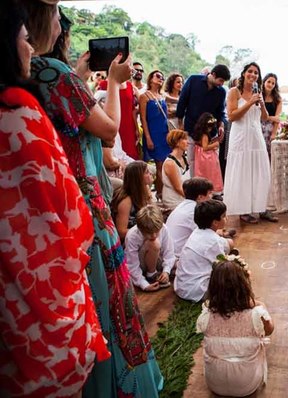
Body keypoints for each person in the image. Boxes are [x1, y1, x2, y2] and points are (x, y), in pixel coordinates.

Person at [24, 2, 164, 395]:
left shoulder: (28, 73)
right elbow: (108, 131)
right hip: (83, 202)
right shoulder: (55, 73)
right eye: (56, 17)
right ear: (44, 23)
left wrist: (81, 75)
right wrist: (114, 83)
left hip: (48, 202)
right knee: (107, 296)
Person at [0, 4, 109, 394]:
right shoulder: (19, 116)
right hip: (41, 306)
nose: (29, 48)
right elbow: (74, 218)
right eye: (22, 39)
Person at [196, 256, 273, 397]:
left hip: (214, 384)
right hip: (247, 385)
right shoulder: (256, 313)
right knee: (258, 340)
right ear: (244, 285)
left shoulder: (206, 314)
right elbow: (269, 330)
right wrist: (259, 304)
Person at [224, 62, 275, 226]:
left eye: (256, 73)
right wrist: (249, 102)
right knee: (242, 172)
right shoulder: (234, 91)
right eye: (250, 71)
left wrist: (262, 104)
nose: (253, 75)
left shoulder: (257, 92)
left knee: (260, 171)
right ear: (244, 73)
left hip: (256, 136)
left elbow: (265, 118)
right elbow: (232, 116)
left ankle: (260, 206)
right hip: (240, 136)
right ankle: (243, 210)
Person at [175, 199, 234, 302]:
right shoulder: (213, 241)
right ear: (215, 222)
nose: (227, 218)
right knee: (233, 280)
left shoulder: (197, 231)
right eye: (224, 216)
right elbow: (221, 268)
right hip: (196, 290)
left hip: (182, 286)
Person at [177, 64, 230, 170]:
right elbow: (182, 102)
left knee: (210, 163)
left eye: (224, 82)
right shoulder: (193, 80)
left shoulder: (221, 91)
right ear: (213, 74)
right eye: (220, 80)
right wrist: (180, 125)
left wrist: (221, 125)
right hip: (191, 129)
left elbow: (220, 112)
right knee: (192, 162)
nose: (221, 84)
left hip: (211, 133)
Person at [161, 177, 215, 273]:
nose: (212, 196)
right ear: (200, 197)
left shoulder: (184, 205)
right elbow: (205, 236)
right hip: (177, 256)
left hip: (170, 253)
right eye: (210, 193)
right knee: (226, 244)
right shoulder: (194, 211)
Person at [140, 70, 171, 196]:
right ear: (150, 79)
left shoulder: (162, 96)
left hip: (164, 133)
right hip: (153, 133)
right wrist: (148, 137)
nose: (161, 79)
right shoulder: (144, 96)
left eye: (162, 77)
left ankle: (160, 192)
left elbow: (166, 116)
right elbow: (143, 119)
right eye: (158, 76)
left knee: (163, 165)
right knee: (158, 164)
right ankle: (159, 193)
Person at [125, 206, 171, 291]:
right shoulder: (132, 236)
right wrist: (143, 284)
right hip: (140, 265)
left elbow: (169, 253)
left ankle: (155, 274)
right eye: (148, 233)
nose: (153, 235)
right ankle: (151, 275)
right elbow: (132, 264)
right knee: (153, 243)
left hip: (157, 260)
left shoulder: (164, 228)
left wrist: (166, 271)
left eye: (156, 232)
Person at [112, 160, 153, 240]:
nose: (150, 173)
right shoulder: (126, 201)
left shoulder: (145, 189)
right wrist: (146, 233)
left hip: (143, 231)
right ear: (138, 178)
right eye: (147, 172)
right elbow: (121, 232)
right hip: (130, 238)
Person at [190, 113, 224, 193]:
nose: (211, 129)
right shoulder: (204, 135)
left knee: (201, 173)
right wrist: (215, 144)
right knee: (210, 173)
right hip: (206, 157)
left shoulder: (199, 133)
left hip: (199, 155)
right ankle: (212, 189)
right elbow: (205, 147)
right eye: (210, 127)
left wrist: (213, 141)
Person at [160, 129, 190, 210]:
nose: (188, 142)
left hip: (183, 197)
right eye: (184, 139)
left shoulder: (185, 158)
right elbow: (178, 188)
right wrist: (193, 199)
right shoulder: (170, 163)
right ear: (177, 142)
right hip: (174, 200)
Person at [261, 73, 283, 154]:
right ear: (264, 82)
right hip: (257, 126)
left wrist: (273, 134)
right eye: (269, 82)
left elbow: (277, 119)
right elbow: (256, 116)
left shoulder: (278, 99)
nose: (270, 84)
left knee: (269, 153)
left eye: (273, 83)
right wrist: (271, 117)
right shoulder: (258, 96)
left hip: (271, 128)